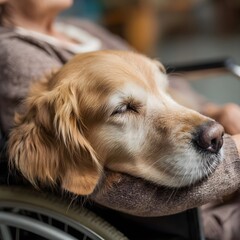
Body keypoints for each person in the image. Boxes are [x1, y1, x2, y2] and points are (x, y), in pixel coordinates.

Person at [0, 0, 240, 239]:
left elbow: (166, 86)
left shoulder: (80, 28)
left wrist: (217, 113)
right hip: (199, 221)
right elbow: (119, 193)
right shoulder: (12, 53)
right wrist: (235, 155)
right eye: (124, 108)